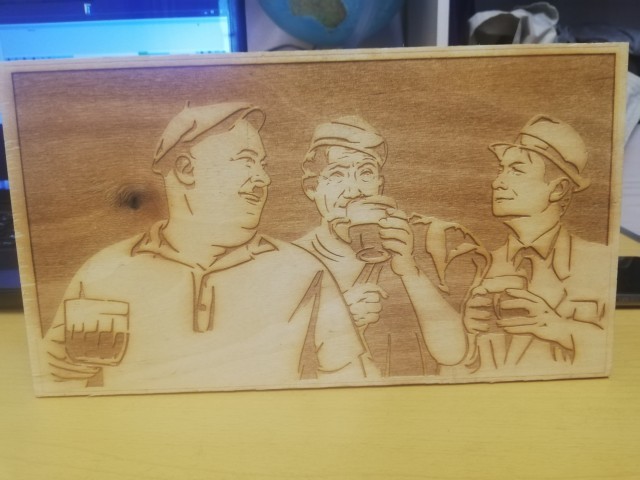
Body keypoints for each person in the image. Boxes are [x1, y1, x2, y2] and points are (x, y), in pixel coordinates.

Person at [43, 103, 365, 392]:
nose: (263, 179)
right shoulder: (103, 273)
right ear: (186, 170)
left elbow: (353, 383)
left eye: (262, 165)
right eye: (247, 161)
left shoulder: (305, 271)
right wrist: (67, 371)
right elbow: (54, 383)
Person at [295, 115, 478, 378]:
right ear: (312, 187)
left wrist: (410, 270)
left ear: (380, 184)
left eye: (366, 173)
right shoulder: (292, 259)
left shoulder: (411, 246)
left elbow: (453, 353)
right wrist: (339, 323)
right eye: (337, 174)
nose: (354, 190)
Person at [463, 114, 610, 374]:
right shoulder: (481, 265)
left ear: (558, 189)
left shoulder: (600, 262)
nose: (497, 182)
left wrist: (560, 329)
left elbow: (612, 353)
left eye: (517, 170)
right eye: (501, 169)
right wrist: (467, 335)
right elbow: (456, 370)